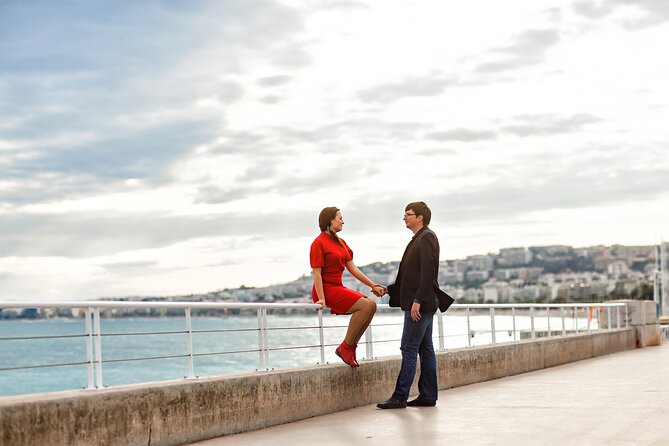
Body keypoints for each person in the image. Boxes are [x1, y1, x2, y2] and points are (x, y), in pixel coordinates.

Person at [377, 201, 454, 409]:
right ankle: (428, 395)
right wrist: (387, 290)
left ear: (419, 217)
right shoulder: (418, 239)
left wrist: (417, 301)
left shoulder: (427, 237)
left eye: (408, 214)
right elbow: (409, 278)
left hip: (420, 304)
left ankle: (400, 396)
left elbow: (428, 274)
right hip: (421, 302)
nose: (404, 217)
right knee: (425, 349)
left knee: (408, 347)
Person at [310, 207, 383, 367]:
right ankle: (345, 347)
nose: (343, 221)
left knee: (371, 305)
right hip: (325, 289)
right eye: (340, 218)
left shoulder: (341, 243)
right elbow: (316, 273)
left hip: (337, 287)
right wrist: (321, 298)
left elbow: (353, 268)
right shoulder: (318, 243)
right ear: (330, 220)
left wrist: (372, 285)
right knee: (364, 306)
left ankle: (350, 348)